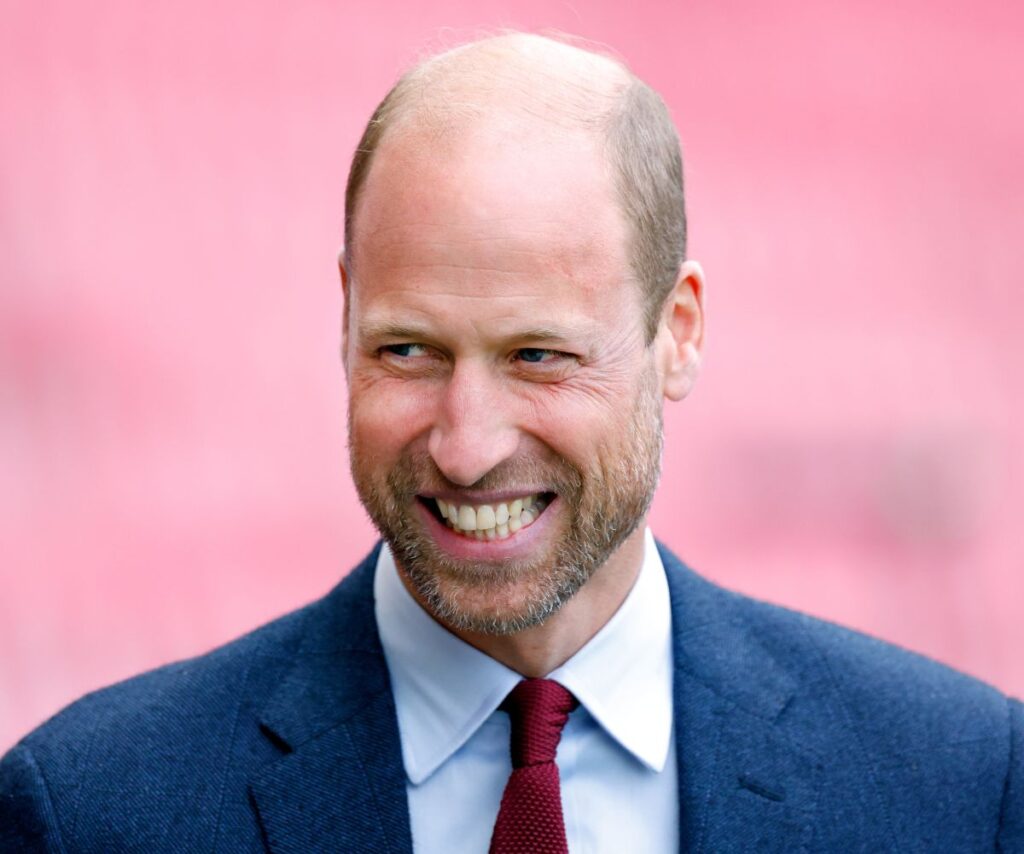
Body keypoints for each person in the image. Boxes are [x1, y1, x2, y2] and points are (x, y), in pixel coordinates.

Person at [1, 32, 1021, 853]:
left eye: (537, 354)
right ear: (344, 316)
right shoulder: (93, 811)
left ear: (680, 334)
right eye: (408, 350)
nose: (465, 443)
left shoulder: (959, 788)